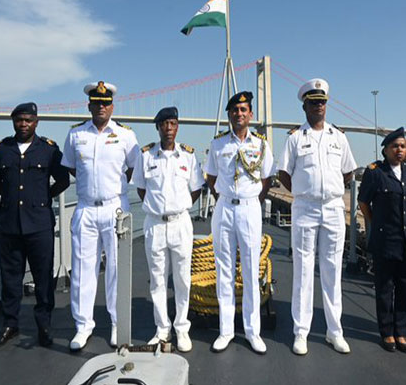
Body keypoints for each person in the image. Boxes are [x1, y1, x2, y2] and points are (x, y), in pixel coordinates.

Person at [277, 78, 356, 356]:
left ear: (326, 104)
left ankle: (335, 332)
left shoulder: (339, 137)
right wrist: (302, 191)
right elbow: (283, 173)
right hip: (305, 209)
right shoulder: (295, 138)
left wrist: (330, 191)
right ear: (305, 107)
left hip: (333, 208)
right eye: (313, 103)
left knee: (333, 271)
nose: (319, 106)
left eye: (322, 102)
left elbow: (348, 171)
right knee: (303, 270)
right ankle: (301, 332)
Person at [61, 81, 140, 351]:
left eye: (105, 103)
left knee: (117, 269)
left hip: (115, 208)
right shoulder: (75, 135)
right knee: (83, 270)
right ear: (89, 105)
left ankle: (118, 323)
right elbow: (72, 168)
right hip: (85, 208)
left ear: (112, 106)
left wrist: (110, 192)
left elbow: (132, 170)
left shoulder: (126, 136)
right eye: (96, 103)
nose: (101, 107)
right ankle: (83, 326)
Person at [0, 102, 69, 349]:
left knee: (44, 278)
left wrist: (43, 198)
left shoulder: (49, 150)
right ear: (13, 122)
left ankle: (44, 325)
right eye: (19, 120)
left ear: (36, 122)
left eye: (28, 120)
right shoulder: (2, 149)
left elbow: (63, 180)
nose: (23, 124)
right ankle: (10, 324)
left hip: (40, 225)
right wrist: (13, 200)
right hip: (10, 224)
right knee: (11, 279)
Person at [204, 91, 274, 354]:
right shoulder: (218, 144)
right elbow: (211, 177)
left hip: (249, 209)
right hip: (224, 209)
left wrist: (252, 200)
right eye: (235, 110)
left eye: (244, 109)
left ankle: (252, 331)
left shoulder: (261, 144)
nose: (240, 114)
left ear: (251, 114)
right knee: (224, 270)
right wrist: (224, 198)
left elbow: (266, 178)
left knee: (250, 270)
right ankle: (226, 330)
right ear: (229, 115)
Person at [131, 106, 205, 353]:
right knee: (157, 280)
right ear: (158, 127)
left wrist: (178, 207)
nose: (169, 128)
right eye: (164, 124)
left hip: (180, 223)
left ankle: (182, 328)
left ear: (178, 126)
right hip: (154, 224)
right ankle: (162, 329)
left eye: (173, 123)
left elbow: (196, 189)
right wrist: (157, 208)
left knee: (183, 279)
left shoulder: (188, 156)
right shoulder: (146, 156)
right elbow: (141, 189)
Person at [358, 127, 406, 354]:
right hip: (386, 240)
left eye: (403, 146)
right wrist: (376, 223)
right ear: (385, 150)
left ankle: (401, 332)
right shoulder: (375, 173)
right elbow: (363, 202)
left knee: (405, 288)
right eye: (395, 146)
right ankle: (386, 332)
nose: (399, 150)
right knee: (385, 288)